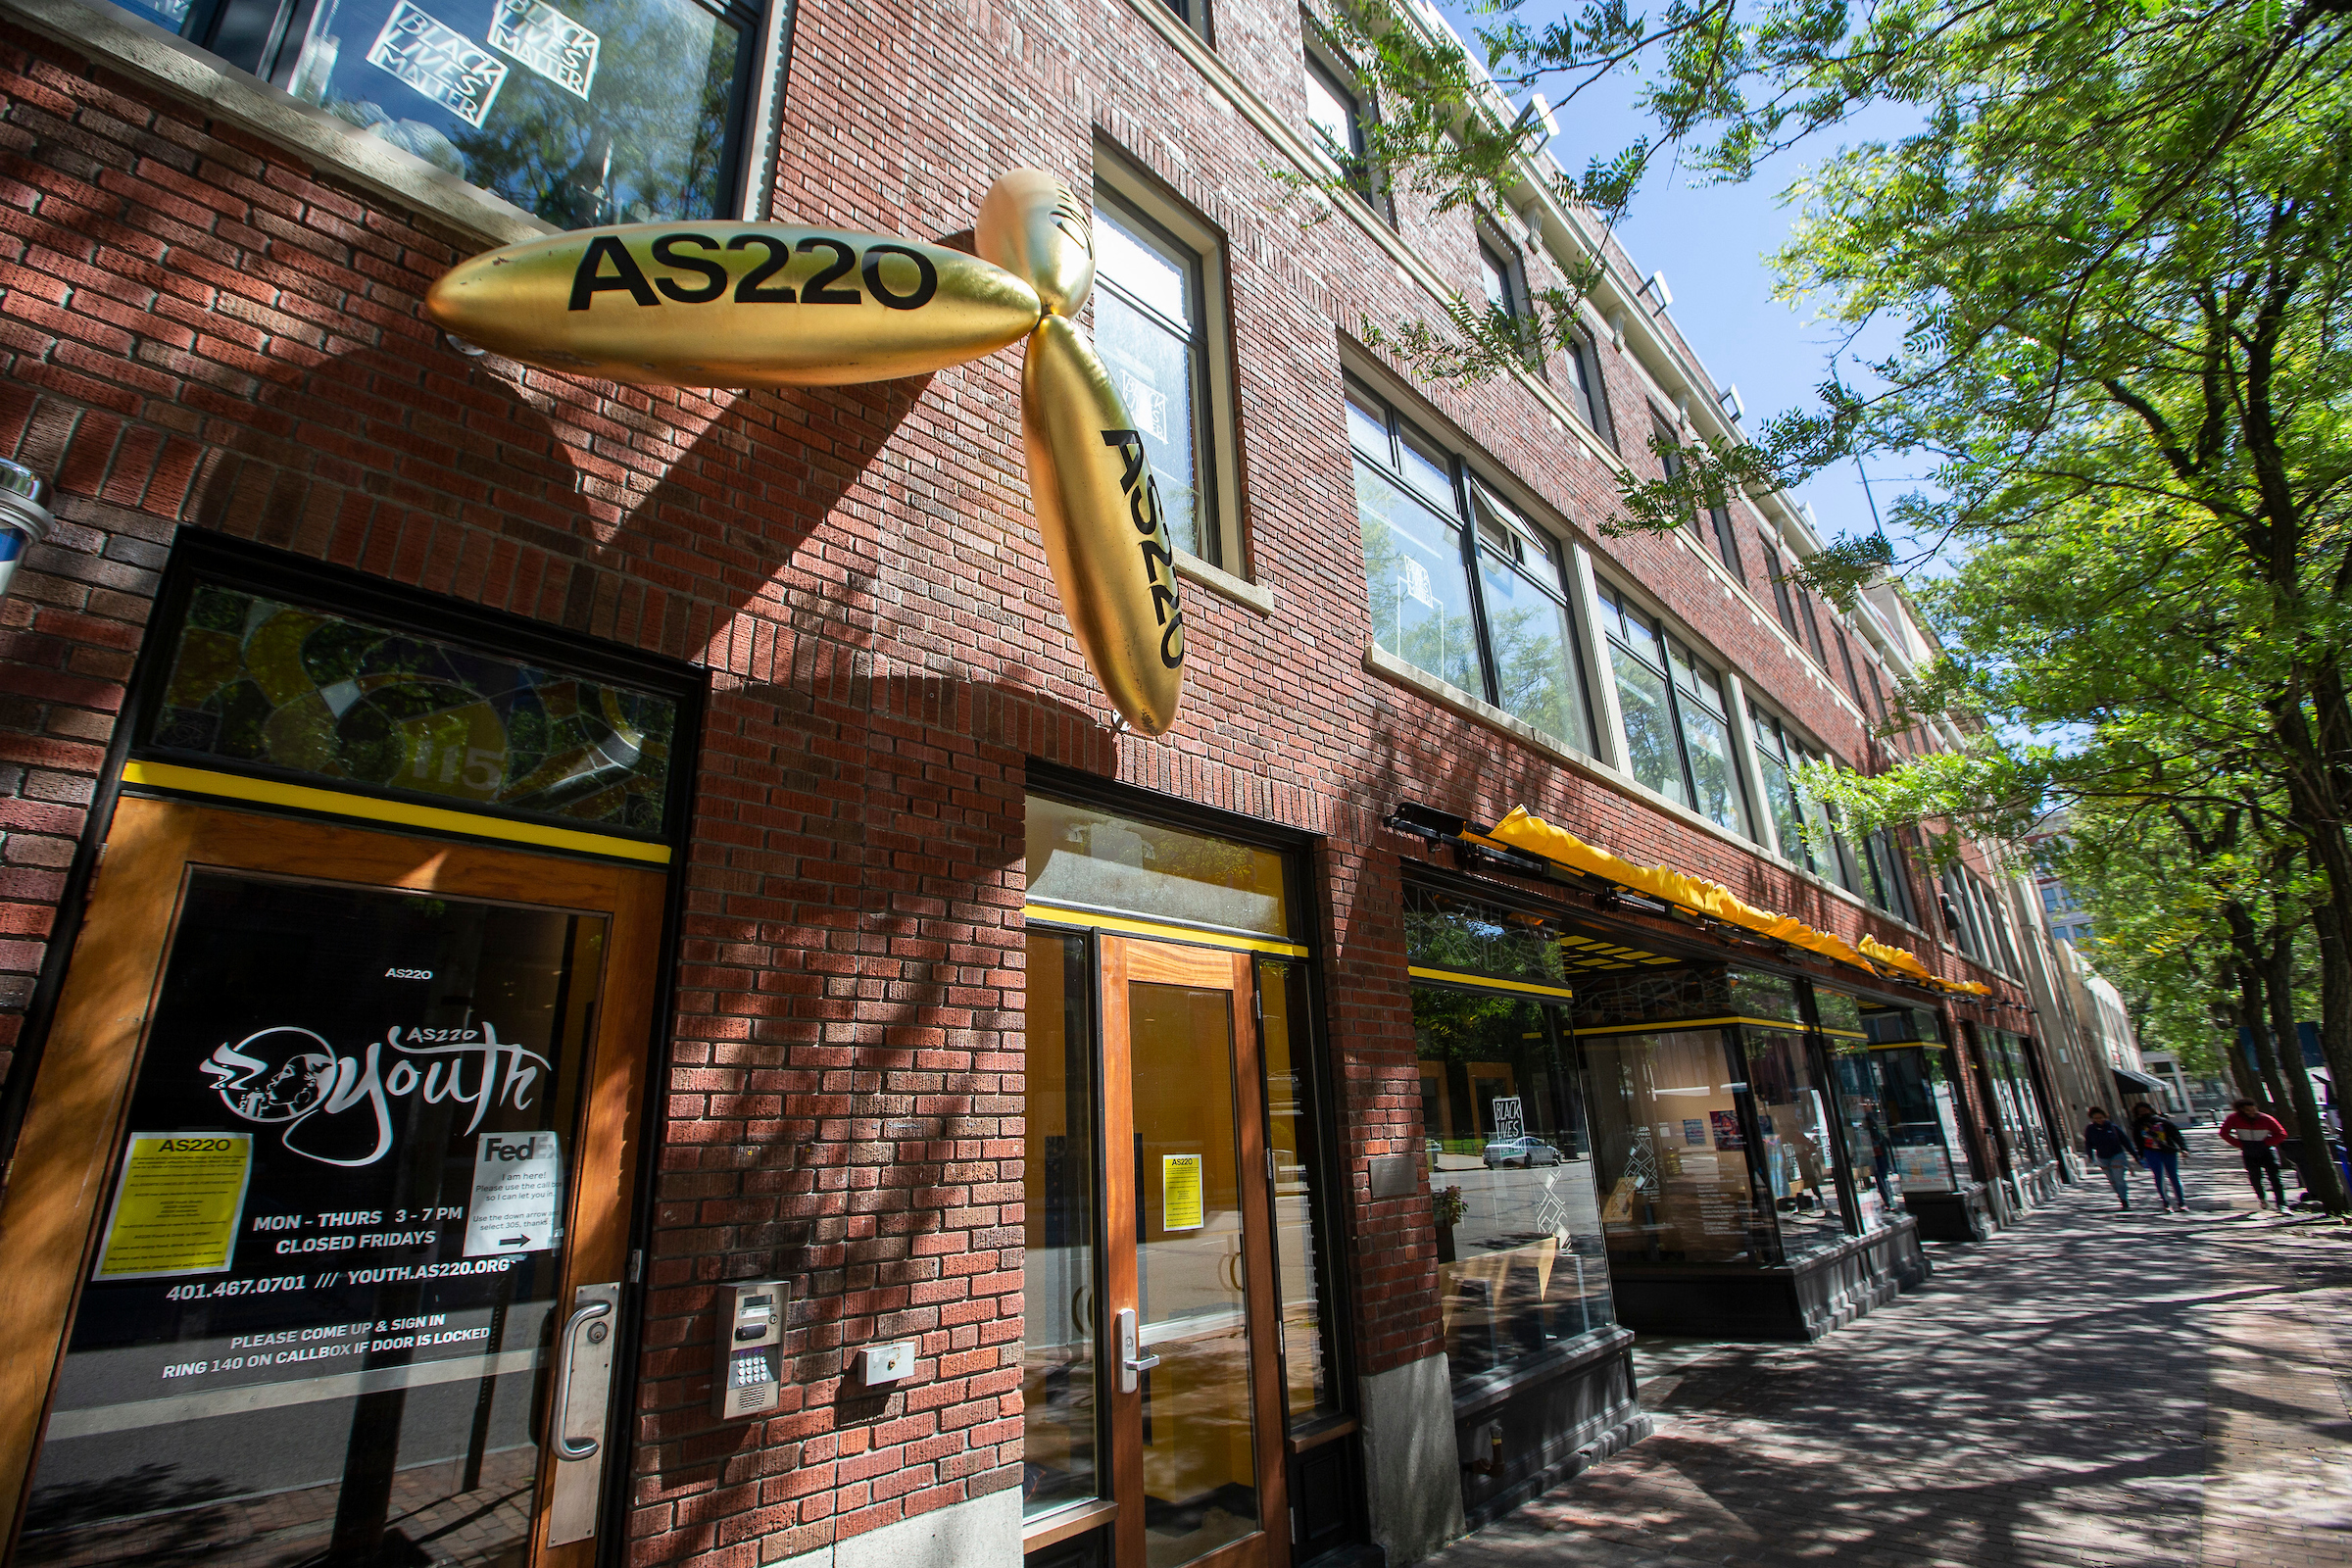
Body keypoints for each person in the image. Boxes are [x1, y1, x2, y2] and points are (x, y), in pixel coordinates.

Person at [2218, 1099, 2290, 1210]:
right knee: (2255, 1177)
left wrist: (2266, 1143)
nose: (2252, 1113)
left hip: (2266, 1150)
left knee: (2275, 1177)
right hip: (2248, 1151)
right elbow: (2223, 1133)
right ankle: (2262, 1198)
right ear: (2241, 1111)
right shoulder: (2234, 1118)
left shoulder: (2266, 1119)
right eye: (2248, 1110)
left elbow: (2281, 1134)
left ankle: (2282, 1204)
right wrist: (2239, 1144)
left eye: (2254, 1109)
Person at [2131, 1101, 2189, 1212]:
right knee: (2159, 1177)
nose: (2143, 1113)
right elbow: (2138, 1141)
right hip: (2151, 1152)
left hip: (2168, 1151)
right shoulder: (2137, 1125)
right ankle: (2166, 1202)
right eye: (2140, 1111)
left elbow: (2176, 1135)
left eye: (2145, 1110)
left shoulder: (2162, 1121)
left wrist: (2183, 1148)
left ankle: (2181, 1202)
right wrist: (2140, 1155)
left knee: (2173, 1176)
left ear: (2150, 1110)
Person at [2083, 1106, 2137, 1209]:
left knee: (2119, 1178)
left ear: (2105, 1116)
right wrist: (2090, 1155)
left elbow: (2125, 1141)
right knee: (2112, 1180)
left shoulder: (2112, 1127)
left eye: (2100, 1117)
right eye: (2095, 1118)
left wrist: (2135, 1155)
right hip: (2103, 1157)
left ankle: (2124, 1200)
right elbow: (2088, 1143)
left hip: (2117, 1154)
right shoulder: (2090, 1129)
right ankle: (2120, 1196)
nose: (2099, 1120)